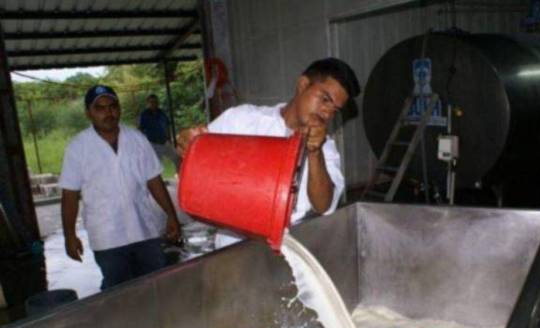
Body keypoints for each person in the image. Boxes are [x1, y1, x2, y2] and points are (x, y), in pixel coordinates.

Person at [177, 57, 360, 248]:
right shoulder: (243, 120)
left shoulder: (326, 148)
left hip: (289, 247)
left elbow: (323, 206)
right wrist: (187, 141)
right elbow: (196, 153)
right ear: (303, 84)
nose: (326, 113)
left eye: (334, 110)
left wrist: (315, 153)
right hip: (233, 246)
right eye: (324, 99)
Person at [59, 85, 182, 290]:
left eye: (113, 106)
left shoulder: (137, 139)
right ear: (88, 113)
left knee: (157, 287)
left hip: (144, 230)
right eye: (100, 108)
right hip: (107, 235)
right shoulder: (78, 147)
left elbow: (154, 181)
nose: (109, 113)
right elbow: (70, 195)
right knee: (117, 294)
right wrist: (69, 235)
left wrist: (172, 215)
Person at [138, 94, 181, 171]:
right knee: (156, 166)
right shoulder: (144, 115)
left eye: (155, 102)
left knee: (177, 157)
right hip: (153, 144)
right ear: (148, 103)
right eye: (151, 102)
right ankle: (159, 182)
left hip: (165, 142)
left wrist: (169, 138)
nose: (154, 104)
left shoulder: (161, 113)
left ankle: (181, 177)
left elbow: (167, 125)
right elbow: (140, 130)